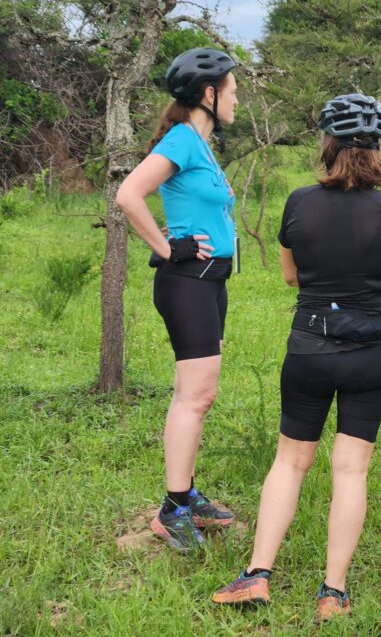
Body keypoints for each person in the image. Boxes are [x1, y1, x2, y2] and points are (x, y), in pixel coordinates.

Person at [211, 93, 381, 620]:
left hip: (310, 346)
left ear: (326, 144)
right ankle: (334, 593)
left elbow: (289, 275)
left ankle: (258, 575)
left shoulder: (299, 202)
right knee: (351, 470)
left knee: (290, 460)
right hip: (374, 352)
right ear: (377, 150)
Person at [116, 47, 239, 551]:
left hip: (210, 283)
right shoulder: (183, 140)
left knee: (194, 394)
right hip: (188, 281)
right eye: (232, 91)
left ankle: (186, 494)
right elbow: (128, 194)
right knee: (197, 395)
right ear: (209, 94)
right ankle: (172, 510)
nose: (237, 100)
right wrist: (168, 248)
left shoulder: (201, 145)